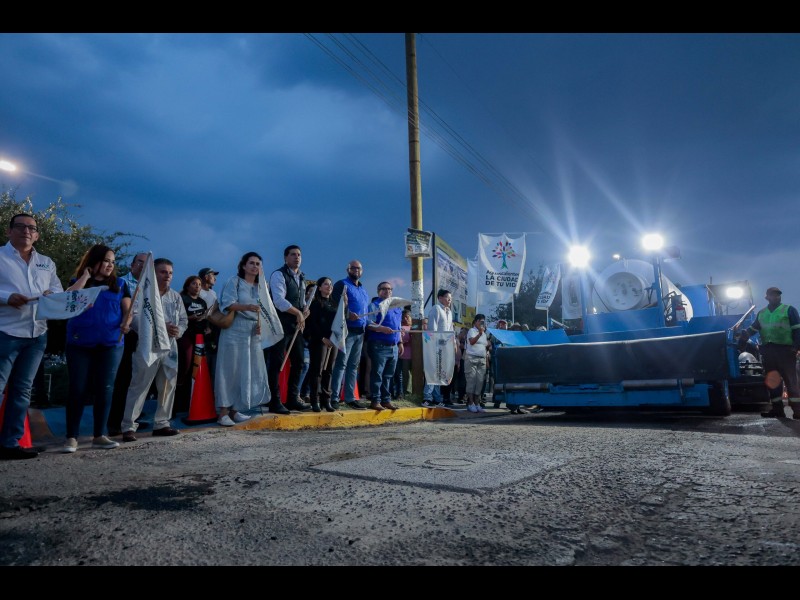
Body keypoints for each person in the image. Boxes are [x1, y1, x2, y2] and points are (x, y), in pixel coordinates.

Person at [0, 213, 63, 459]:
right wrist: (6, 297)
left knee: (22, 391)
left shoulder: (46, 262)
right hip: (5, 331)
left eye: (32, 228)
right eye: (20, 226)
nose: (26, 231)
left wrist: (51, 295)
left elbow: (57, 290)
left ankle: (10, 444)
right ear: (9, 231)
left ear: (36, 235)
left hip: (37, 334)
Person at [60, 244, 131, 453]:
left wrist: (126, 322)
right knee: (77, 388)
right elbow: (67, 298)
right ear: (94, 261)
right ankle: (71, 437)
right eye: (106, 260)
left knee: (105, 388)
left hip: (111, 344)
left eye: (113, 262)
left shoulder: (120, 284)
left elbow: (128, 310)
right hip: (79, 344)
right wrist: (85, 276)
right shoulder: (77, 282)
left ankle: (99, 435)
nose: (110, 265)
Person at [120, 258, 188, 441]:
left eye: (170, 273)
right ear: (153, 273)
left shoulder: (175, 296)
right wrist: (160, 327)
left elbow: (183, 320)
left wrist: (178, 331)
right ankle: (128, 426)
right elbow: (134, 319)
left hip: (170, 347)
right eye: (163, 272)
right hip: (147, 345)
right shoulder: (142, 293)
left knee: (167, 386)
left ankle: (162, 423)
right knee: (140, 385)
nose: (167, 276)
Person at [213, 252, 267, 426]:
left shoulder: (262, 286)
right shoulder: (234, 281)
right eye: (251, 263)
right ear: (243, 265)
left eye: (258, 264)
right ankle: (223, 412)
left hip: (252, 331)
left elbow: (265, 311)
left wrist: (261, 325)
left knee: (247, 370)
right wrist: (247, 307)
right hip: (235, 328)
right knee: (230, 370)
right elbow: (227, 303)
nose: (255, 266)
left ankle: (236, 410)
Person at [739, 286, 800, 419]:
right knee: (773, 381)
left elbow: (797, 329)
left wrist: (796, 347)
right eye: (773, 295)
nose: (776, 297)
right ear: (767, 297)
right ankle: (777, 410)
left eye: (778, 295)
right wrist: (744, 335)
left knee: (791, 381)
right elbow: (753, 329)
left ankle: (797, 410)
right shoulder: (762, 313)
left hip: (786, 351)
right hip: (769, 352)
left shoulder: (789, 310)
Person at [266, 245, 311, 414]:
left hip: (296, 327)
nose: (297, 257)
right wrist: (298, 312)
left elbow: (301, 300)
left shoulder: (302, 277)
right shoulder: (278, 275)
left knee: (299, 362)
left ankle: (292, 399)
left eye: (299, 255)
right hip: (280, 325)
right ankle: (274, 401)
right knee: (276, 363)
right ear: (285, 258)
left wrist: (305, 309)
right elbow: (279, 301)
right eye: (293, 254)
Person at [108, 251, 148, 436]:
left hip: (145, 336)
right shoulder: (122, 283)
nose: (142, 266)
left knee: (138, 379)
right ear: (132, 265)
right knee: (122, 379)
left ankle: (131, 420)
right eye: (139, 262)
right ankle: (114, 423)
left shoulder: (150, 286)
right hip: (125, 334)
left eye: (146, 264)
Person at [330, 260, 371, 410]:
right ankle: (334, 398)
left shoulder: (363, 289)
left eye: (359, 268)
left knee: (353, 366)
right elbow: (335, 304)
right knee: (341, 364)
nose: (356, 270)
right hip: (346, 331)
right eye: (353, 268)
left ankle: (350, 398)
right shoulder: (342, 284)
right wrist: (348, 313)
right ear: (348, 270)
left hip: (360, 332)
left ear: (362, 271)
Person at [174, 275, 208, 417]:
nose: (197, 286)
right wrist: (190, 318)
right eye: (194, 283)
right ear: (187, 285)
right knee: (185, 365)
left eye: (199, 284)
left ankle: (188, 401)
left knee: (196, 368)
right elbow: (177, 317)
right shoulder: (182, 299)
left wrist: (207, 327)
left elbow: (206, 318)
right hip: (185, 336)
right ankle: (175, 403)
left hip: (199, 337)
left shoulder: (202, 302)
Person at [365, 281, 402, 411]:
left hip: (393, 346)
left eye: (390, 289)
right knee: (377, 373)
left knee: (388, 375)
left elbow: (398, 326)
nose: (387, 291)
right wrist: (381, 328)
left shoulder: (397, 307)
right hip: (378, 345)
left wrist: (400, 342)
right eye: (384, 289)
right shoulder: (374, 305)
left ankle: (386, 400)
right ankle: (375, 400)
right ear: (378, 291)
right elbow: (368, 323)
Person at [304, 277, 338, 412]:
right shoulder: (315, 304)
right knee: (317, 370)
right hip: (319, 341)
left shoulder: (336, 304)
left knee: (328, 371)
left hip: (333, 341)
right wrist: (322, 338)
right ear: (319, 287)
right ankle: (315, 400)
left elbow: (341, 321)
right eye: (326, 284)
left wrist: (345, 305)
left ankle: (326, 399)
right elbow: (312, 324)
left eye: (331, 284)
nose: (329, 286)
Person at [421, 289, 455, 408]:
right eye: (447, 297)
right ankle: (427, 397)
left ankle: (437, 398)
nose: (449, 300)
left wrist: (453, 344)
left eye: (450, 298)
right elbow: (432, 329)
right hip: (435, 345)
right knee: (432, 370)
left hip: (445, 346)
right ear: (440, 298)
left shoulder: (449, 312)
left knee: (440, 372)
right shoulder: (436, 308)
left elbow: (450, 330)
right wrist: (433, 345)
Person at [197, 267, 220, 383]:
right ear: (206, 277)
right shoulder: (198, 292)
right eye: (213, 275)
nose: (215, 278)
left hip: (213, 331)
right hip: (200, 330)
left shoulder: (213, 293)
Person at [464, 314, 489, 413]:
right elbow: (472, 342)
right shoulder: (472, 331)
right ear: (476, 321)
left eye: (483, 322)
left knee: (479, 382)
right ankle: (470, 403)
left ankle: (477, 403)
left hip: (482, 360)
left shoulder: (484, 334)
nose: (482, 324)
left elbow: (484, 347)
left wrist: (486, 360)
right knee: (471, 381)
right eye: (481, 321)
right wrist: (479, 334)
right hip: (472, 359)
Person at [393, 309, 413, 399]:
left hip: (410, 355)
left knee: (407, 374)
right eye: (403, 317)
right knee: (399, 374)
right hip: (400, 354)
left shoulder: (413, 328)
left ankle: (407, 391)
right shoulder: (400, 327)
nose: (405, 319)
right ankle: (400, 391)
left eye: (407, 317)